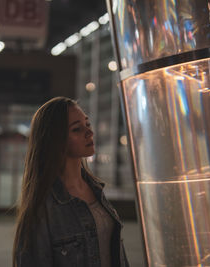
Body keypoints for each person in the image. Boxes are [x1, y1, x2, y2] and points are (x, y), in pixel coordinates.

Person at [13, 96, 129, 267]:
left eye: (87, 124)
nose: (90, 132)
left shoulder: (96, 190)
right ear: (56, 139)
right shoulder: (43, 207)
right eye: (77, 129)